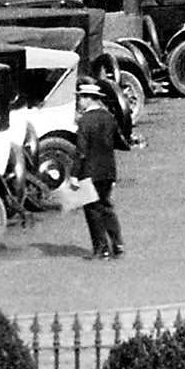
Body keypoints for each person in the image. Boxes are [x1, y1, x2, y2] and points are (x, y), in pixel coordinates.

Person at [73, 82, 126, 259]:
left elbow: (81, 151)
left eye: (81, 98)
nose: (79, 101)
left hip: (89, 171)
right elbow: (119, 140)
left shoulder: (84, 121)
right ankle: (117, 244)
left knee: (92, 209)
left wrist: (74, 174)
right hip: (108, 170)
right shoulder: (109, 117)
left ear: (89, 99)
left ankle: (101, 248)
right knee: (106, 205)